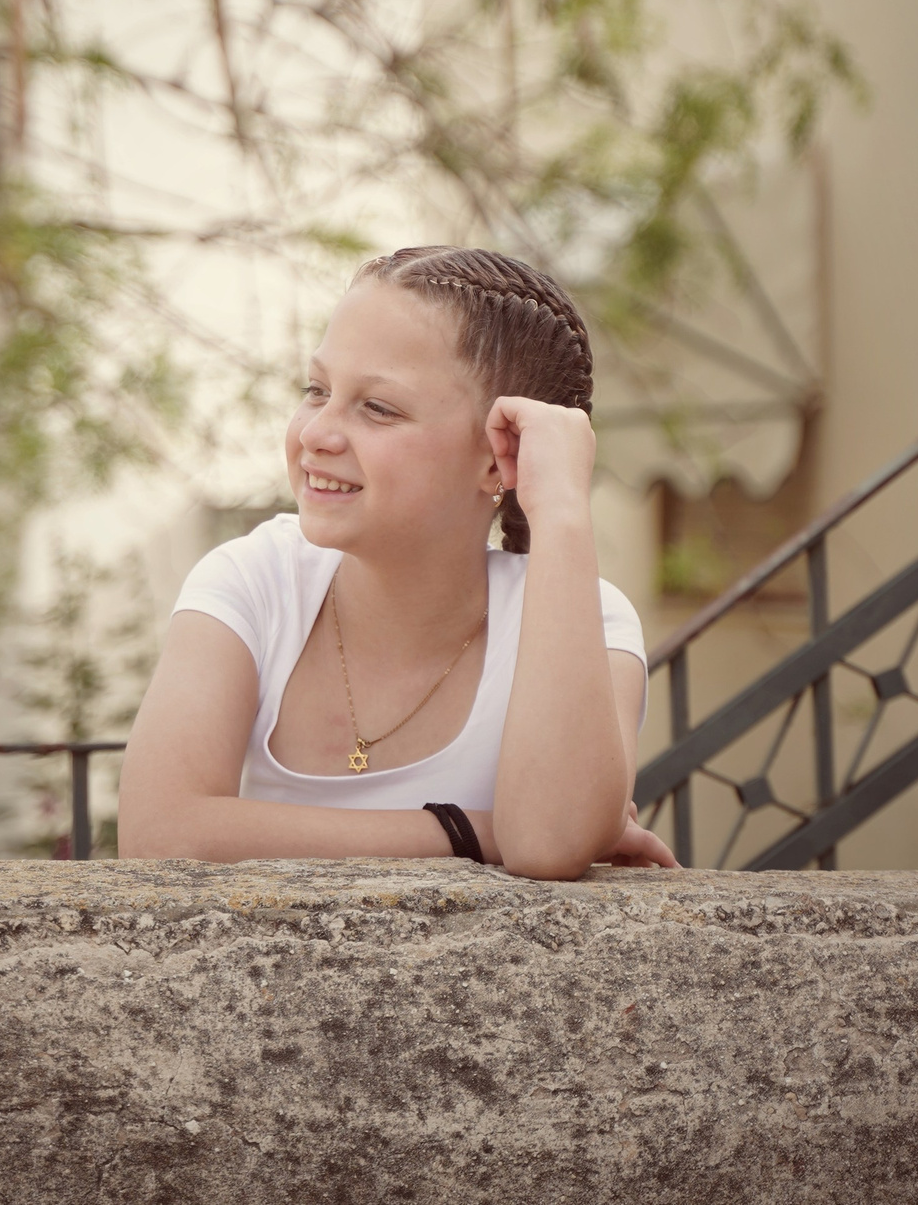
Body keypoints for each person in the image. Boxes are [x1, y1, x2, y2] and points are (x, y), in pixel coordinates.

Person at [119, 246, 678, 878]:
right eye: (317, 390)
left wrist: (564, 510)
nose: (316, 434)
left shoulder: (590, 620)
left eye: (377, 407)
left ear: (499, 461)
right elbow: (159, 831)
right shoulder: (254, 580)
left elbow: (548, 842)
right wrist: (471, 830)